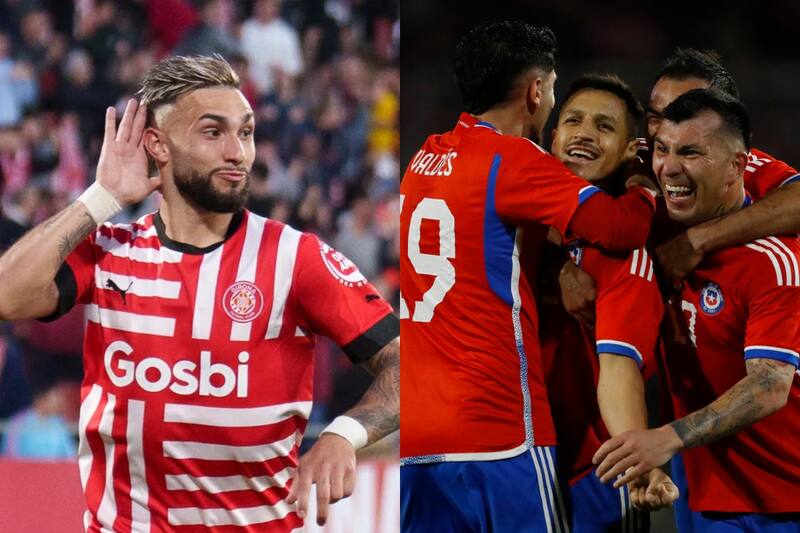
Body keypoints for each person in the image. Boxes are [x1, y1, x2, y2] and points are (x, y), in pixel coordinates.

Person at [0, 54, 399, 532]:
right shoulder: (108, 250)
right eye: (214, 132)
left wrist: (343, 435)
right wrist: (101, 197)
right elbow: (8, 296)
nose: (238, 152)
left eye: (246, 132)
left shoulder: (297, 258)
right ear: (158, 145)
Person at [400, 21, 659, 532]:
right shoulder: (515, 160)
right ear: (536, 92)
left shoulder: (424, 156)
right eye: (561, 98)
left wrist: (556, 259)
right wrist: (643, 185)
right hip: (499, 428)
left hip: (419, 434)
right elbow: (621, 227)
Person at [593, 89, 800, 531]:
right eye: (663, 150)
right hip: (706, 496)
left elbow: (768, 385)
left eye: (690, 152)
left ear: (737, 166)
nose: (669, 167)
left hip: (783, 499)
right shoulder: (655, 231)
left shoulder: (772, 261)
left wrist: (663, 440)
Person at [542, 74, 678, 532]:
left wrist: (636, 457)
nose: (583, 131)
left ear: (628, 149)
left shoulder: (623, 257)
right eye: (573, 120)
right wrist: (556, 268)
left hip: (591, 472)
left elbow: (618, 369)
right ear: (552, 135)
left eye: (604, 126)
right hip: (502, 457)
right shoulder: (504, 224)